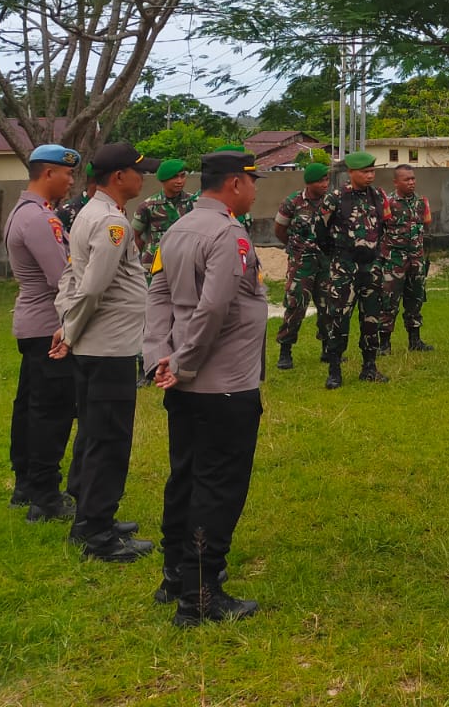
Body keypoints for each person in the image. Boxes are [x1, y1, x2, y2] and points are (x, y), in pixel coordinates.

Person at [143, 149, 267, 624]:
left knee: (186, 478)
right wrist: (187, 362)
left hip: (185, 382)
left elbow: (157, 296)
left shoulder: (175, 229)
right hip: (223, 384)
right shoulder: (228, 233)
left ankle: (175, 573)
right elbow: (214, 308)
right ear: (235, 184)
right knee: (219, 486)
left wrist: (161, 356)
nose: (255, 191)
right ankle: (200, 594)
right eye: (253, 182)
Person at [56, 141, 159, 563]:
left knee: (94, 433)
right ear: (119, 177)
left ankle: (88, 512)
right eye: (138, 171)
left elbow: (70, 275)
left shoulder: (92, 214)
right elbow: (93, 286)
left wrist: (67, 325)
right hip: (109, 346)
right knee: (109, 439)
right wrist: (70, 331)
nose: (143, 177)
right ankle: (96, 532)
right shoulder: (112, 223)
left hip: (97, 344)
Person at [5, 143, 81, 522]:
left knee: (30, 407)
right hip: (47, 325)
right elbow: (62, 277)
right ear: (48, 173)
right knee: (51, 411)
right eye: (67, 173)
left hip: (32, 323)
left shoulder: (26, 212)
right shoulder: (39, 219)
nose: (71, 181)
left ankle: (26, 484)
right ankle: (45, 496)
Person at [317, 151, 392, 389]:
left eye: (372, 171)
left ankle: (369, 367)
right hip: (345, 269)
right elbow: (321, 232)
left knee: (371, 318)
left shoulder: (379, 196)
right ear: (351, 173)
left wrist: (379, 258)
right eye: (364, 172)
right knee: (339, 319)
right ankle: (334, 370)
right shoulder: (335, 199)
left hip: (371, 268)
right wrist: (338, 257)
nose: (370, 176)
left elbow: (387, 226)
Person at [273, 162, 330, 370]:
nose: (325, 184)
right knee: (296, 305)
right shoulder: (293, 202)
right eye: (320, 180)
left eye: (327, 179)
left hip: (326, 262)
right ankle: (285, 351)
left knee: (328, 307)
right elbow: (280, 229)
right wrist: (294, 248)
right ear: (309, 183)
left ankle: (328, 349)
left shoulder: (331, 201)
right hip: (301, 263)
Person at [381, 163, 433, 354]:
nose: (411, 182)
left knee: (415, 299)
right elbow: (380, 230)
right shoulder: (387, 203)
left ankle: (415, 340)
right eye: (406, 179)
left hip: (416, 260)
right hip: (394, 260)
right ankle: (384, 344)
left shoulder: (421, 202)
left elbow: (426, 225)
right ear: (396, 182)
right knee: (389, 301)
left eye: (413, 179)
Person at [134, 159, 195, 276]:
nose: (180, 181)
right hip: (154, 267)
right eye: (174, 177)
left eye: (183, 176)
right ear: (163, 180)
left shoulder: (194, 203)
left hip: (185, 264)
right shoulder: (148, 206)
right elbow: (136, 237)